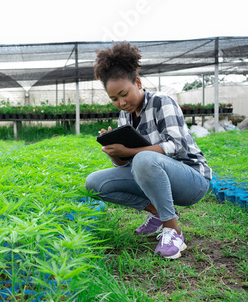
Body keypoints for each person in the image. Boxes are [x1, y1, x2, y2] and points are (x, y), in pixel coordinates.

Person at [85, 42, 212, 259]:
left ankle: (173, 231)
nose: (121, 102)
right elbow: (127, 165)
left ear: (137, 82)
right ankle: (156, 212)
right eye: (114, 99)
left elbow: (176, 145)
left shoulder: (162, 101)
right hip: (153, 175)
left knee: (144, 158)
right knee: (95, 184)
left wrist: (130, 152)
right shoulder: (125, 115)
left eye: (124, 94)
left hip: (191, 180)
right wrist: (116, 154)